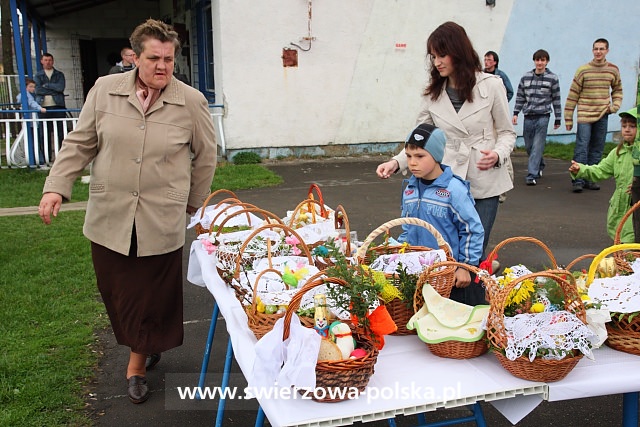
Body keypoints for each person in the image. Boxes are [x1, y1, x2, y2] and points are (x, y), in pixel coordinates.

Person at [37, 18, 217, 405]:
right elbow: (80, 143)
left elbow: (206, 158)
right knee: (116, 292)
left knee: (150, 297)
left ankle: (136, 365)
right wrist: (56, 187)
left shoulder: (191, 101)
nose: (163, 67)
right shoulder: (104, 90)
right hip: (110, 215)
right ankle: (144, 340)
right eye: (154, 58)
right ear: (135, 57)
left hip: (161, 217)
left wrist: (191, 203)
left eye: (169, 59)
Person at [376, 22, 516, 293]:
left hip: (483, 175)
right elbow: (418, 137)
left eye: (442, 55)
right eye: (433, 56)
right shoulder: (433, 93)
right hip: (446, 178)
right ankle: (438, 301)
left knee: (474, 246)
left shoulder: (492, 85)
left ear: (458, 52)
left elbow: (508, 133)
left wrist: (497, 154)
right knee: (442, 245)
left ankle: (471, 305)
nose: (437, 62)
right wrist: (397, 162)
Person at [398, 123, 484, 300]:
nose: (413, 162)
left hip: (448, 276)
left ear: (436, 155)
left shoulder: (453, 189)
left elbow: (472, 230)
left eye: (420, 156)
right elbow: (407, 227)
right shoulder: (410, 189)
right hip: (417, 272)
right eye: (408, 156)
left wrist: (465, 267)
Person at [568, 107, 637, 243]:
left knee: (629, 246)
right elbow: (600, 170)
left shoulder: (638, 154)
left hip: (634, 210)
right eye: (624, 126)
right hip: (617, 209)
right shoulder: (618, 152)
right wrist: (581, 169)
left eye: (632, 126)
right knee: (618, 245)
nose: (627, 129)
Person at [565, 38, 623, 193]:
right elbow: (573, 94)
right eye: (596, 49)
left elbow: (617, 90)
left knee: (597, 148)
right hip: (584, 114)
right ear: (592, 51)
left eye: (601, 49)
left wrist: (615, 106)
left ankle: (591, 178)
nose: (598, 52)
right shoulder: (583, 70)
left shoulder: (613, 70)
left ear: (607, 51)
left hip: (603, 113)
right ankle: (577, 178)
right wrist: (568, 117)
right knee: (582, 147)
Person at [512, 49, 562, 186]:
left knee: (537, 145)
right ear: (534, 61)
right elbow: (520, 96)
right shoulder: (526, 77)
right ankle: (540, 164)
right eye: (538, 60)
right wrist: (515, 113)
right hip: (528, 115)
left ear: (547, 62)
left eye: (543, 60)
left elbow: (556, 98)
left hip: (543, 115)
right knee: (529, 146)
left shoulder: (552, 78)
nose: (540, 63)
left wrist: (558, 118)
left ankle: (531, 175)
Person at [34, 52, 66, 159]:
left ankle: (61, 156)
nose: (48, 62)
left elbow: (60, 88)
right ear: (42, 61)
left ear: (53, 61)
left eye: (50, 60)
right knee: (44, 132)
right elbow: (38, 90)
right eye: (46, 60)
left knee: (60, 132)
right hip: (44, 108)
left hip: (58, 106)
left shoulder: (59, 74)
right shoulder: (38, 75)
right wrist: (53, 90)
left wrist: (47, 86)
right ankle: (47, 156)